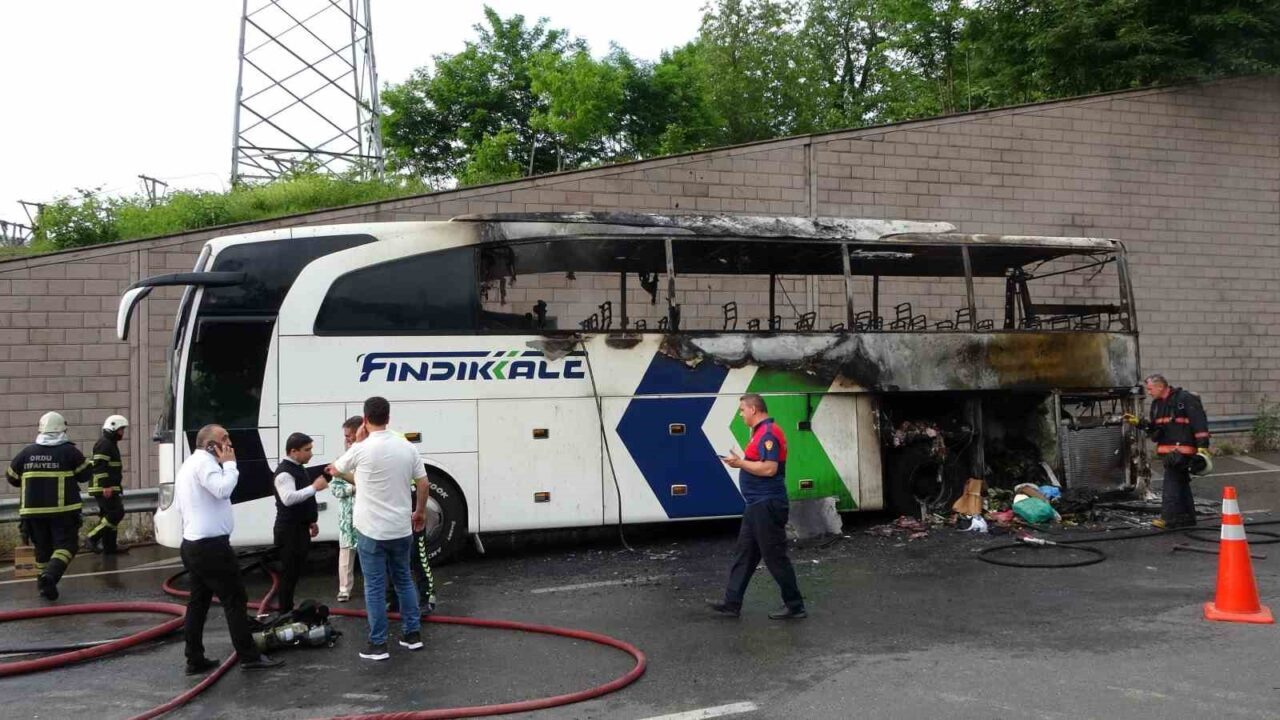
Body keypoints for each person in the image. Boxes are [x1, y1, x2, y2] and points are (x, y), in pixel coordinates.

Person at [175, 424, 283, 674]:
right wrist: (231, 464)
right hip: (210, 546)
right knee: (235, 599)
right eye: (224, 439)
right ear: (210, 444)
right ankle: (249, 656)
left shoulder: (189, 465)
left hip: (193, 543)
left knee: (198, 602)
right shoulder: (206, 464)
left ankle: (194, 658)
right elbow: (223, 490)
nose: (229, 442)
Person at [328, 397, 429, 661]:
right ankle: (412, 635)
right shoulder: (407, 447)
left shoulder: (361, 448)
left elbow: (336, 469)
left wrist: (359, 440)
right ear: (388, 417)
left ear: (364, 419)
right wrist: (418, 512)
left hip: (371, 531)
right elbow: (423, 482)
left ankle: (378, 644)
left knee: (374, 586)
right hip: (401, 528)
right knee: (404, 580)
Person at [708, 393, 806, 620]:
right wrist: (741, 462)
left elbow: (770, 468)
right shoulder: (759, 433)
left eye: (742, 410)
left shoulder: (769, 433)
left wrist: (740, 463)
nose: (741, 414)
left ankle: (795, 605)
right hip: (756, 505)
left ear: (753, 409)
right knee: (744, 554)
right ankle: (732, 604)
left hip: (767, 504)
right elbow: (759, 464)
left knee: (774, 557)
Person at [7, 412, 92, 601]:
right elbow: (86, 475)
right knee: (67, 546)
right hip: (63, 512)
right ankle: (50, 576)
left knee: (43, 551)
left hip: (32, 513)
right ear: (62, 429)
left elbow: (11, 477)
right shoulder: (69, 452)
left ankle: (44, 586)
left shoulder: (27, 453)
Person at [1125, 374, 1211, 529]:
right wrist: (1139, 423)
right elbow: (1157, 430)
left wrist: (1202, 448)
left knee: (1171, 484)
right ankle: (1187, 518)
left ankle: (1169, 518)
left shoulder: (1184, 399)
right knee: (1181, 483)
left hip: (1182, 452)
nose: (1149, 393)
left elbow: (1199, 423)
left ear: (1160, 386)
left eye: (1150, 389)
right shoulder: (1157, 405)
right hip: (1168, 453)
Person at [272, 432, 328, 614]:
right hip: (289, 532)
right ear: (293, 451)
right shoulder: (284, 473)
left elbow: (303, 498)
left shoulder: (298, 468)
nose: (311, 453)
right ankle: (284, 612)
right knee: (288, 574)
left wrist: (311, 520)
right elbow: (288, 499)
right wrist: (314, 487)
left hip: (300, 528)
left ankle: (287, 609)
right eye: (307, 450)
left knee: (294, 573)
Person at [86, 415, 130, 554]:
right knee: (116, 513)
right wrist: (106, 486)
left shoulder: (109, 443)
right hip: (104, 487)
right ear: (113, 428)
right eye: (121, 429)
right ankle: (92, 537)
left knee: (109, 516)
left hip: (109, 487)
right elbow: (99, 467)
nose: (122, 433)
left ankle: (109, 547)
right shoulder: (104, 444)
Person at [330, 416, 362, 601]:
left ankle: (373, 588)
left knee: (368, 555)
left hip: (365, 516)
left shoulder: (367, 456)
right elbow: (335, 488)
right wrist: (354, 489)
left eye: (349, 435)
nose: (346, 439)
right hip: (346, 518)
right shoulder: (340, 460)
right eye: (345, 436)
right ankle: (344, 589)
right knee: (346, 555)